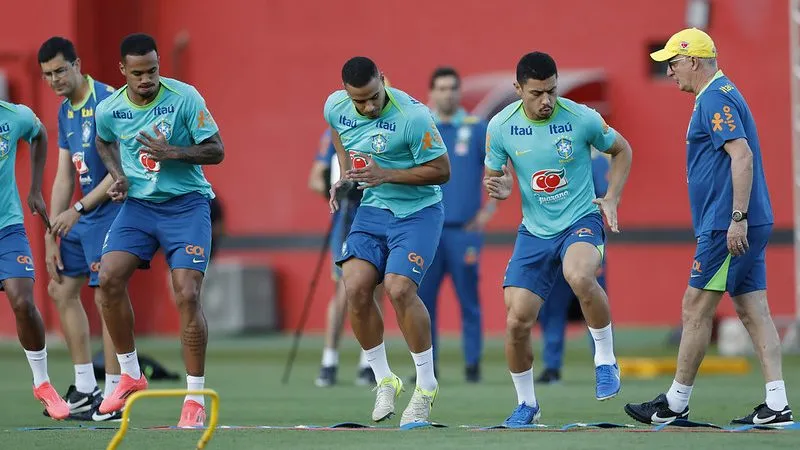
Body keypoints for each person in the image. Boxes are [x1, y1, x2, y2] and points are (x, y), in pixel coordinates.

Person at [625, 28, 793, 426]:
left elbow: (742, 156)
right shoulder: (720, 94)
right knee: (753, 310)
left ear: (693, 61)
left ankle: (675, 403)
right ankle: (777, 403)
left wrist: (736, 218)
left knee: (695, 306)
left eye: (673, 63)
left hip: (726, 224)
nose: (669, 72)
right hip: (745, 220)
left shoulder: (715, 97)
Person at [483, 51, 633, 426]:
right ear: (518, 89)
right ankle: (527, 404)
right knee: (517, 321)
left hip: (580, 219)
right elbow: (494, 177)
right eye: (537, 93)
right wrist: (501, 188)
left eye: (552, 90)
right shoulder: (500, 126)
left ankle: (605, 360)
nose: (547, 100)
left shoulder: (582, 118)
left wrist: (612, 196)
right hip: (534, 231)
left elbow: (622, 149)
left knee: (579, 275)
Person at [92, 33, 224, 427]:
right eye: (138, 73)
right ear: (122, 70)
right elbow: (103, 142)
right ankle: (131, 374)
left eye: (152, 70)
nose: (147, 78)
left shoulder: (185, 98)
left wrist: (174, 152)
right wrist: (118, 174)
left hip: (187, 205)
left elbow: (217, 149)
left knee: (187, 293)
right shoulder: (109, 109)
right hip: (139, 207)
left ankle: (195, 398)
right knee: (108, 279)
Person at [325, 56, 450, 426]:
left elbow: (442, 170)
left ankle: (425, 386)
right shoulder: (335, 106)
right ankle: (385, 379)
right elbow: (337, 132)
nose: (368, 106)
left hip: (418, 212)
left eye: (373, 97)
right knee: (354, 286)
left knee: (398, 288)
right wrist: (346, 173)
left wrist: (387, 174)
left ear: (383, 80)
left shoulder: (414, 116)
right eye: (359, 101)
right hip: (374, 209)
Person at [37, 36, 123, 421]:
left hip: (111, 211)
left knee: (107, 296)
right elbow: (62, 176)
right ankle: (86, 388)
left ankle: (115, 391)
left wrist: (77, 209)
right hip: (81, 214)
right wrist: (50, 233)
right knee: (60, 288)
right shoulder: (64, 111)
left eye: (60, 70)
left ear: (77, 65)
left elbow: (120, 172)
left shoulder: (107, 101)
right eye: (47, 75)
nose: (54, 80)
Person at [417, 66, 493, 383]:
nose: (447, 94)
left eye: (452, 88)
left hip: (464, 232)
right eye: (442, 88)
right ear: (431, 93)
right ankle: (426, 368)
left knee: (469, 301)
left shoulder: (476, 128)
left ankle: (472, 366)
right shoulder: (422, 129)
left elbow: (499, 169)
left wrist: (487, 212)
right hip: (427, 233)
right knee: (422, 303)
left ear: (459, 92)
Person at [0, 97, 70, 420]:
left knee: (23, 301)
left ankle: (42, 383)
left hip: (8, 228)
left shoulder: (15, 116)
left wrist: (35, 188)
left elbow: (39, 133)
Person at [308, 128, 378, 387]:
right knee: (344, 288)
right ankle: (329, 360)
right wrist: (336, 190)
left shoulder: (386, 130)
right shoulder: (338, 132)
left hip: (378, 211)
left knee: (376, 288)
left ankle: (368, 363)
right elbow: (316, 179)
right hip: (347, 215)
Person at [536, 150, 610, 384]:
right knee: (552, 307)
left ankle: (604, 362)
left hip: (583, 239)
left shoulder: (594, 161)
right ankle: (552, 366)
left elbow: (601, 198)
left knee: (593, 302)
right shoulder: (549, 160)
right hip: (553, 240)